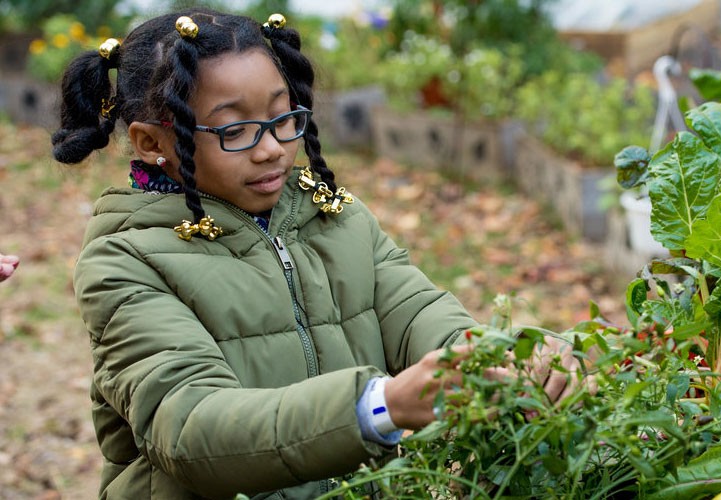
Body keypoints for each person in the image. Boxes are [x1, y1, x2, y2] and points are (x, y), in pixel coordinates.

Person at [53, 8, 579, 499]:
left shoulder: (331, 214)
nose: (272, 148)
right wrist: (376, 407)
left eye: (284, 118)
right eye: (234, 130)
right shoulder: (125, 260)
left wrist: (496, 357)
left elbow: (415, 310)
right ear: (151, 143)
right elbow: (189, 428)